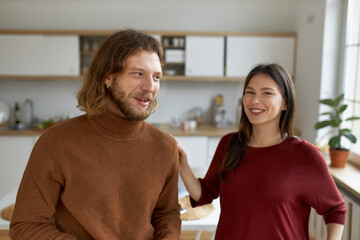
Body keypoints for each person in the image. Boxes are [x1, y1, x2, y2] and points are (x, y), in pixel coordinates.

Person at [10, 29, 181, 240]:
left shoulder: (165, 147)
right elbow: (27, 225)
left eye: (156, 77)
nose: (150, 87)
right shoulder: (56, 142)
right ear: (107, 78)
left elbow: (166, 213)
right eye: (138, 74)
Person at [178, 63, 346, 239]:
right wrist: (183, 165)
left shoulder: (304, 154)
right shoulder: (229, 144)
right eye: (250, 92)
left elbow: (335, 209)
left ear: (285, 103)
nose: (255, 100)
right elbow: (205, 193)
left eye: (267, 93)